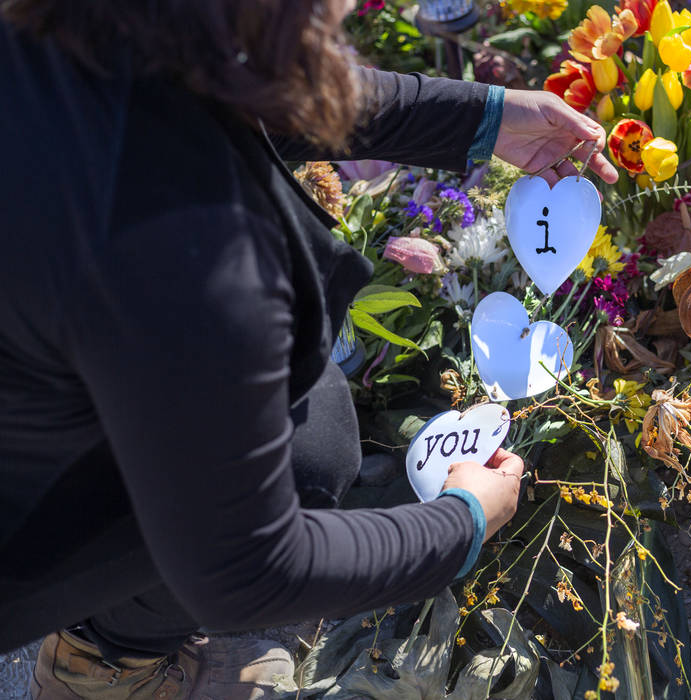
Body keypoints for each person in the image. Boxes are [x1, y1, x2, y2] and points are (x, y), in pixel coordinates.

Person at [0, 1, 617, 697]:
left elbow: (253, 95)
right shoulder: (196, 252)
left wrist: (484, 116)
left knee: (305, 414)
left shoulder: (78, 34)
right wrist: (461, 523)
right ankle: (101, 666)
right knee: (308, 453)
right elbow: (249, 572)